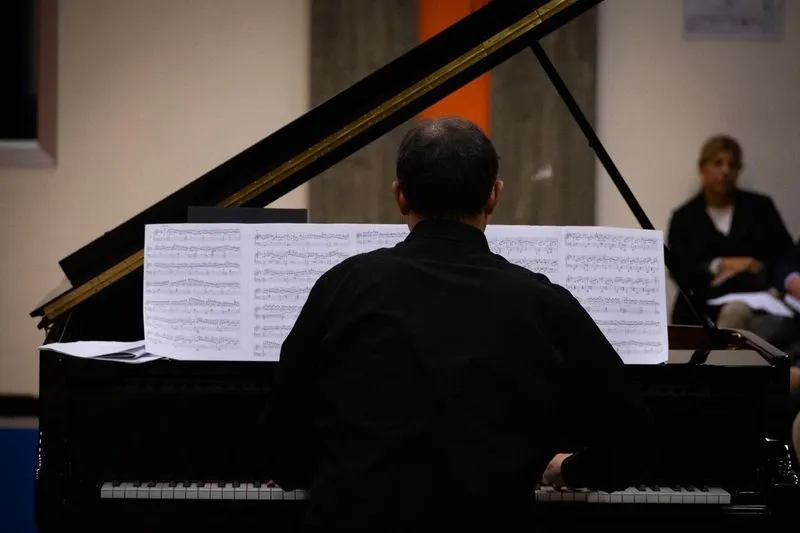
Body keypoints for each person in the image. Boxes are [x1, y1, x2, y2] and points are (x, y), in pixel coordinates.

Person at [261, 116, 656, 531]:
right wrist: (570, 470)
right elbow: (635, 447)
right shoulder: (544, 304)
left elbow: (281, 450)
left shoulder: (340, 289)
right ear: (494, 196)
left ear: (400, 196)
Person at [667, 134, 793, 328]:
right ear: (702, 167)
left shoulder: (760, 208)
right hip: (701, 304)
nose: (725, 171)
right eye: (718, 163)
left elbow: (785, 253)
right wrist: (719, 264)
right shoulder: (685, 217)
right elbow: (679, 267)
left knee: (736, 313)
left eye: (732, 165)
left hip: (754, 298)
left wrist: (754, 265)